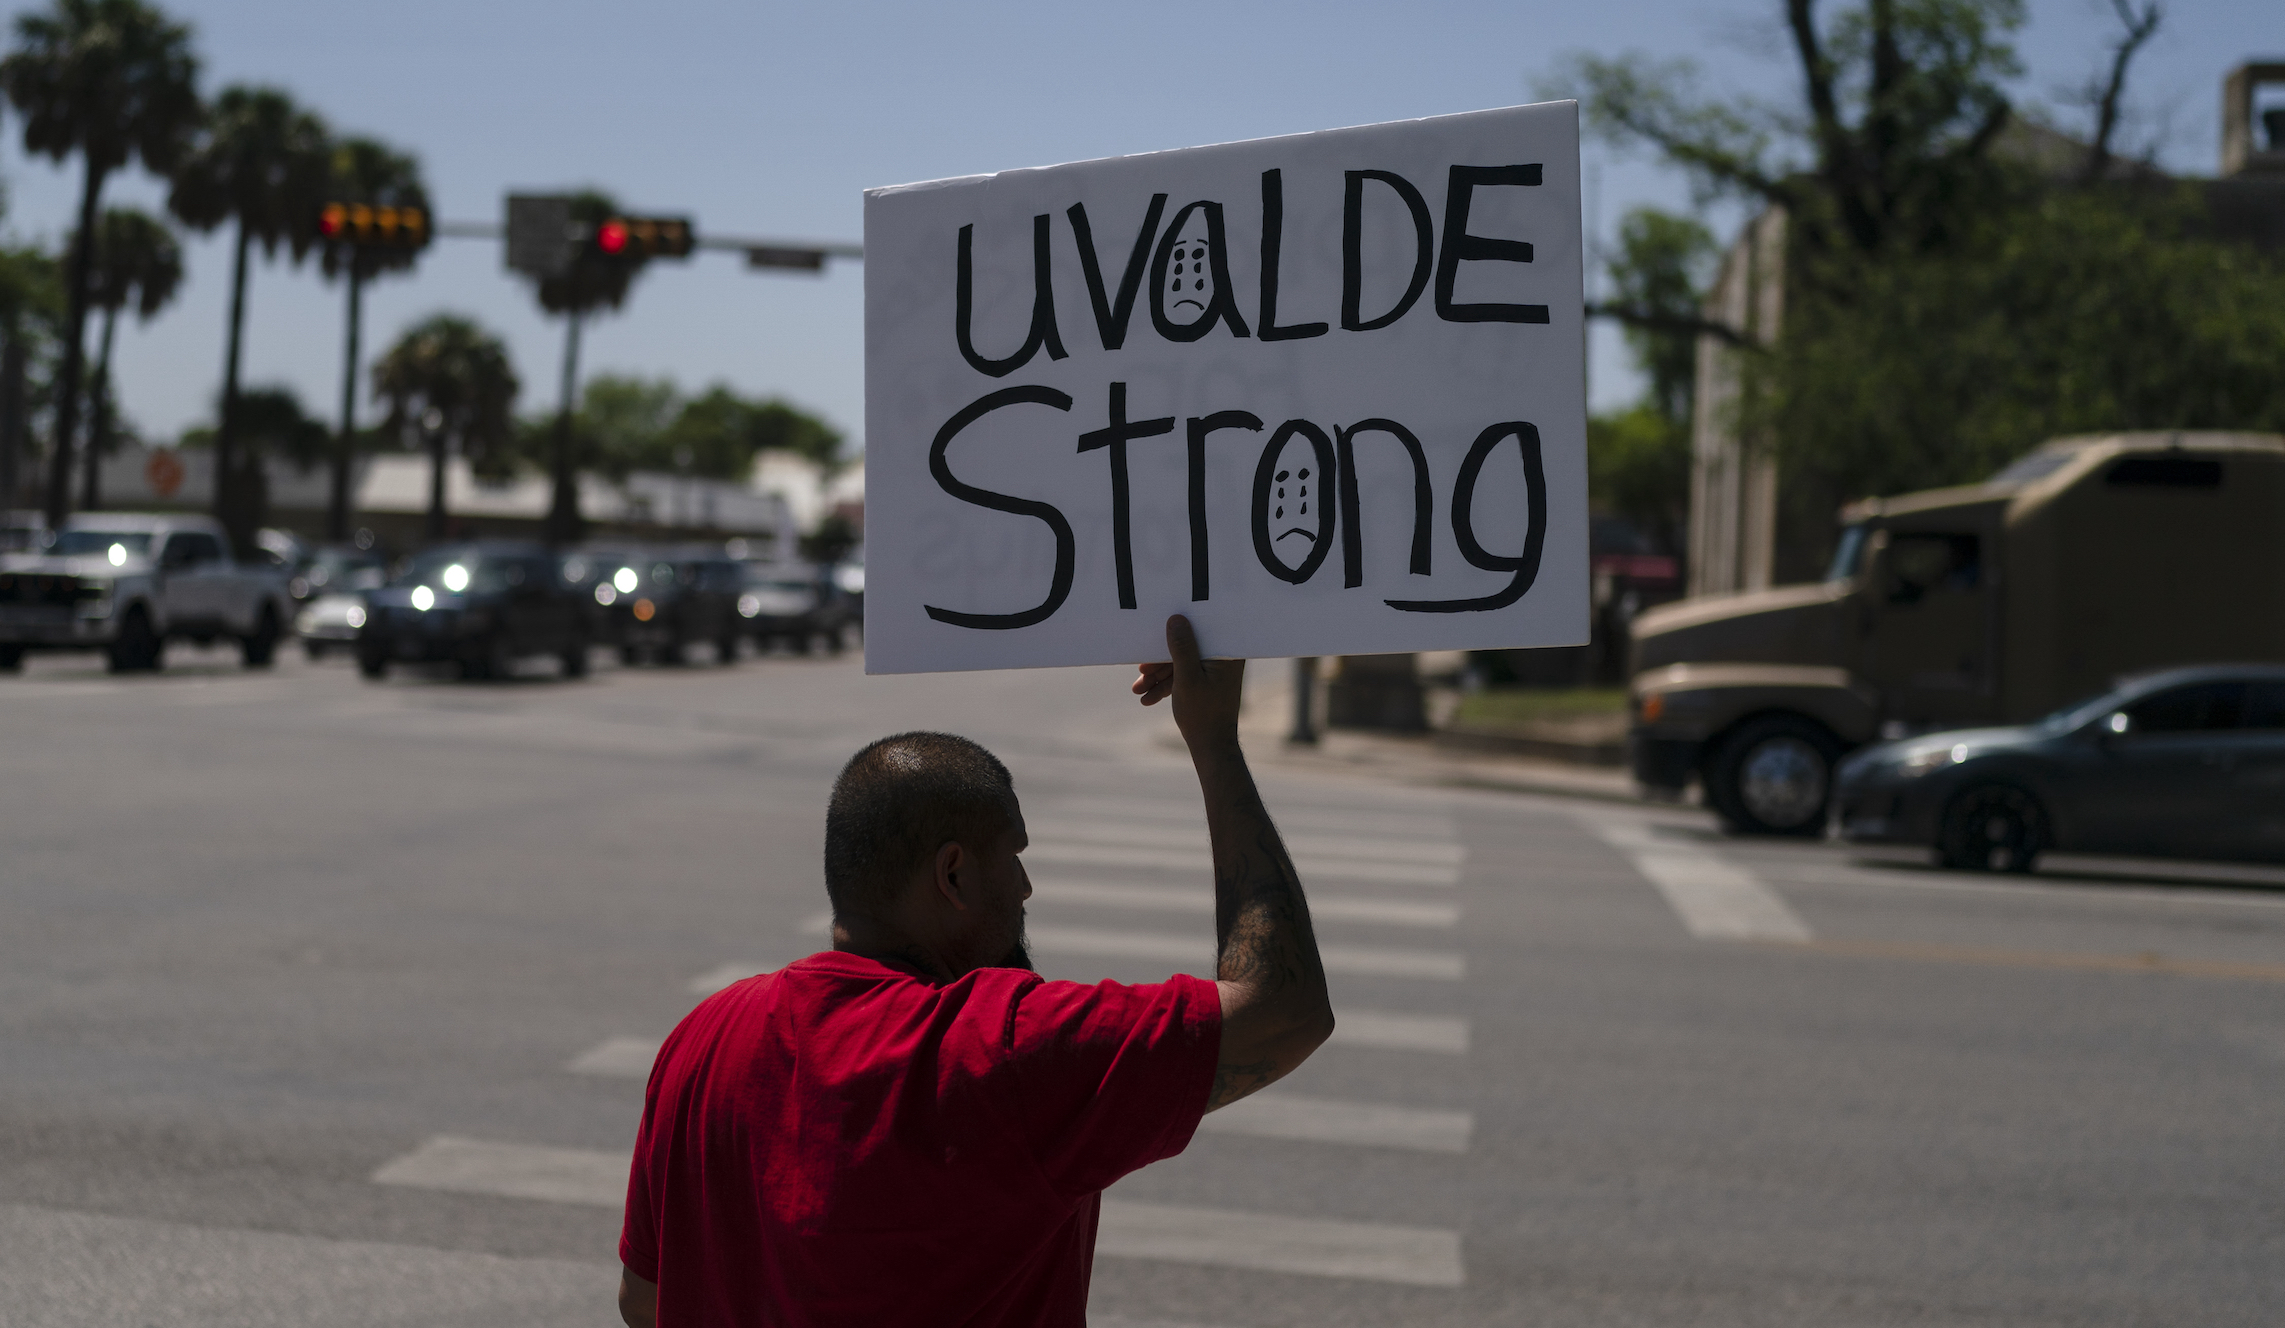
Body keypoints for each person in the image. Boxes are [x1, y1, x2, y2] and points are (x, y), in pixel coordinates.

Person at [617, 615, 1334, 1327]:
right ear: (953, 874)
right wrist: (1213, 742)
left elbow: (644, 1299)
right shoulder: (1004, 1047)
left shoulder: (703, 1038)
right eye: (1014, 856)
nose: (1024, 888)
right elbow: (1285, 1008)